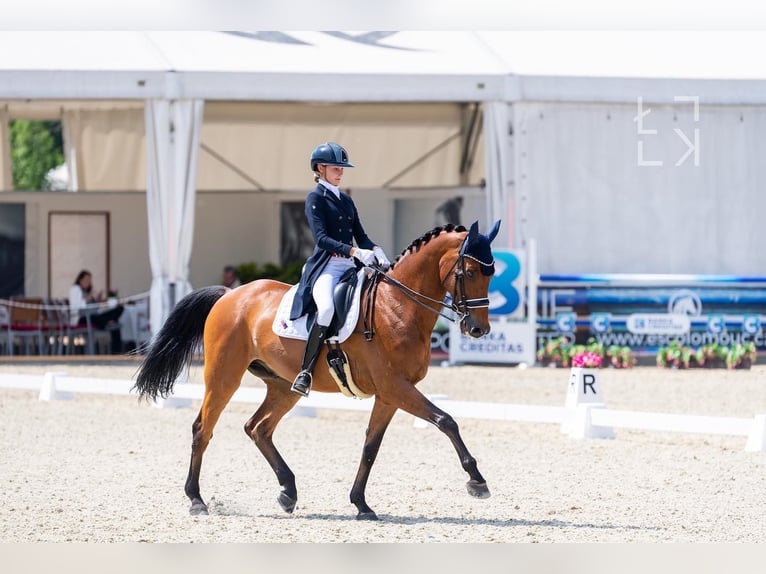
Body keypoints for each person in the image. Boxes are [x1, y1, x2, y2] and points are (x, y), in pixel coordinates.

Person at [288, 142, 391, 397]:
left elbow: (361, 236)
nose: (340, 172)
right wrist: (355, 251)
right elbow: (321, 238)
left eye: (342, 168)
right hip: (328, 265)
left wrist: (376, 249)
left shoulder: (346, 200)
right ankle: (305, 372)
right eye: (336, 167)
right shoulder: (315, 198)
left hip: (351, 265)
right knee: (325, 309)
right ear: (320, 168)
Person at [69, 269, 124, 354]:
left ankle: (110, 322)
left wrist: (98, 300)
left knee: (119, 309)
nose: (88, 282)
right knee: (113, 325)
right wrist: (88, 298)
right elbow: (76, 306)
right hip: (82, 318)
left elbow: (95, 307)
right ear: (80, 279)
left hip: (95, 315)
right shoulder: (75, 289)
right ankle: (110, 323)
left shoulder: (88, 291)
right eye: (86, 279)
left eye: (89, 280)